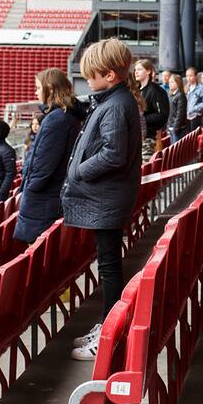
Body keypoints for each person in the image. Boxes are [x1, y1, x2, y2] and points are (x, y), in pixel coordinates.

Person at [63, 39, 143, 362]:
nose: (87, 81)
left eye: (91, 75)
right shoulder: (114, 100)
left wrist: (79, 171)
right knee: (108, 265)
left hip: (106, 199)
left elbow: (112, 154)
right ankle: (108, 326)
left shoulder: (116, 104)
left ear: (109, 75)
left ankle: (110, 335)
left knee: (109, 267)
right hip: (107, 198)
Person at [15, 69, 84, 243]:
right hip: (50, 198)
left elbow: (43, 166)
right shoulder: (68, 116)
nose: (35, 92)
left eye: (38, 88)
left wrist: (28, 189)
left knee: (40, 257)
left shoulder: (56, 120)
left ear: (51, 89)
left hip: (43, 202)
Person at [135, 58, 170, 162]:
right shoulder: (136, 90)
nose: (136, 72)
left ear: (148, 71)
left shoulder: (157, 91)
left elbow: (162, 115)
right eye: (135, 70)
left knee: (145, 169)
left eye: (139, 69)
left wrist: (142, 119)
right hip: (135, 137)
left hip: (148, 138)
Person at [185, 67, 203, 133]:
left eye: (191, 76)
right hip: (186, 117)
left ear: (196, 76)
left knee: (194, 136)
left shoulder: (201, 88)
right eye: (187, 76)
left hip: (196, 116)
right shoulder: (186, 88)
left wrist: (195, 107)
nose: (188, 78)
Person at [166, 73, 188, 142]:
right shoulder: (170, 95)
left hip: (178, 128)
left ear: (178, 83)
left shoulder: (180, 96)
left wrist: (175, 127)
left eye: (172, 82)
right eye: (169, 82)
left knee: (177, 150)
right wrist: (169, 126)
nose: (170, 84)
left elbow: (180, 114)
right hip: (171, 127)